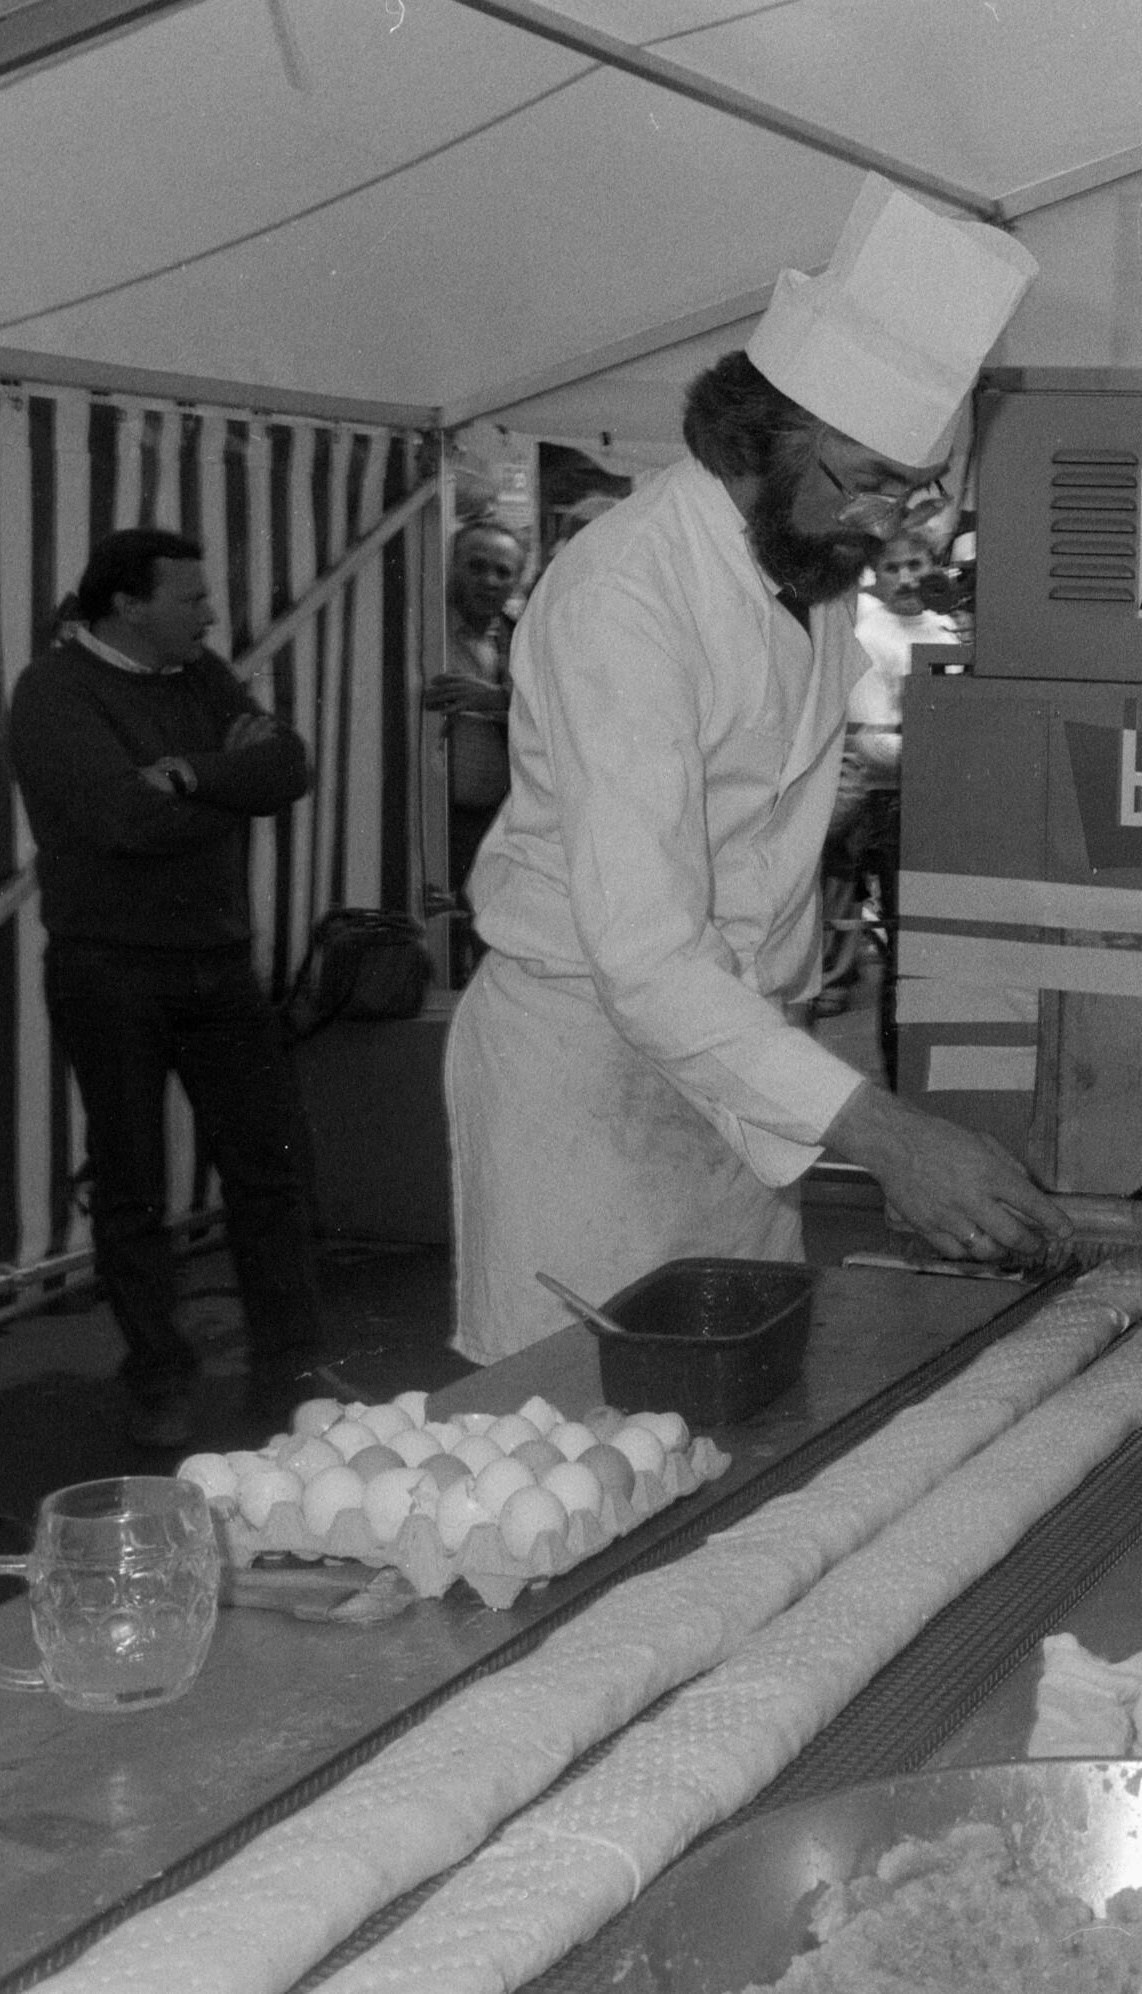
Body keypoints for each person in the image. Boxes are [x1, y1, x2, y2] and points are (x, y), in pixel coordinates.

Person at [444, 173, 1063, 1363]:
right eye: (868, 482)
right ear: (767, 438)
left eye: (913, 495)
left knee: (740, 1399)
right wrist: (889, 1135)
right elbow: (644, 953)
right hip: (589, 1074)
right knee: (573, 1413)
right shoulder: (626, 594)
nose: (885, 524)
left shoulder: (808, 571)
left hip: (735, 1072)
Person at [7, 527, 326, 1448]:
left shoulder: (198, 673)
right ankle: (158, 1379)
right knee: (131, 1185)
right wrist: (232, 790)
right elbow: (122, 820)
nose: (211, 614)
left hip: (219, 963)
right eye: (191, 599)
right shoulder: (54, 692)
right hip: (110, 970)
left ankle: (292, 1377)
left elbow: (290, 766)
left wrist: (188, 775)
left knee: (271, 1172)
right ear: (127, 605)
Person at [809, 533, 958, 1044]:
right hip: (883, 801)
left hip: (930, 797)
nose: (906, 577)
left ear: (933, 565)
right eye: (893, 568)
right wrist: (950, 752)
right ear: (878, 575)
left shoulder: (945, 630)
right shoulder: (869, 637)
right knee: (895, 936)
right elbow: (874, 745)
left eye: (915, 564)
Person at [422, 522, 524, 971]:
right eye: (477, 566)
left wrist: (498, 700)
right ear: (451, 567)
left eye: (503, 572)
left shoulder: (521, 637)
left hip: (503, 821)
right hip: (439, 820)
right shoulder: (428, 634)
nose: (489, 580)